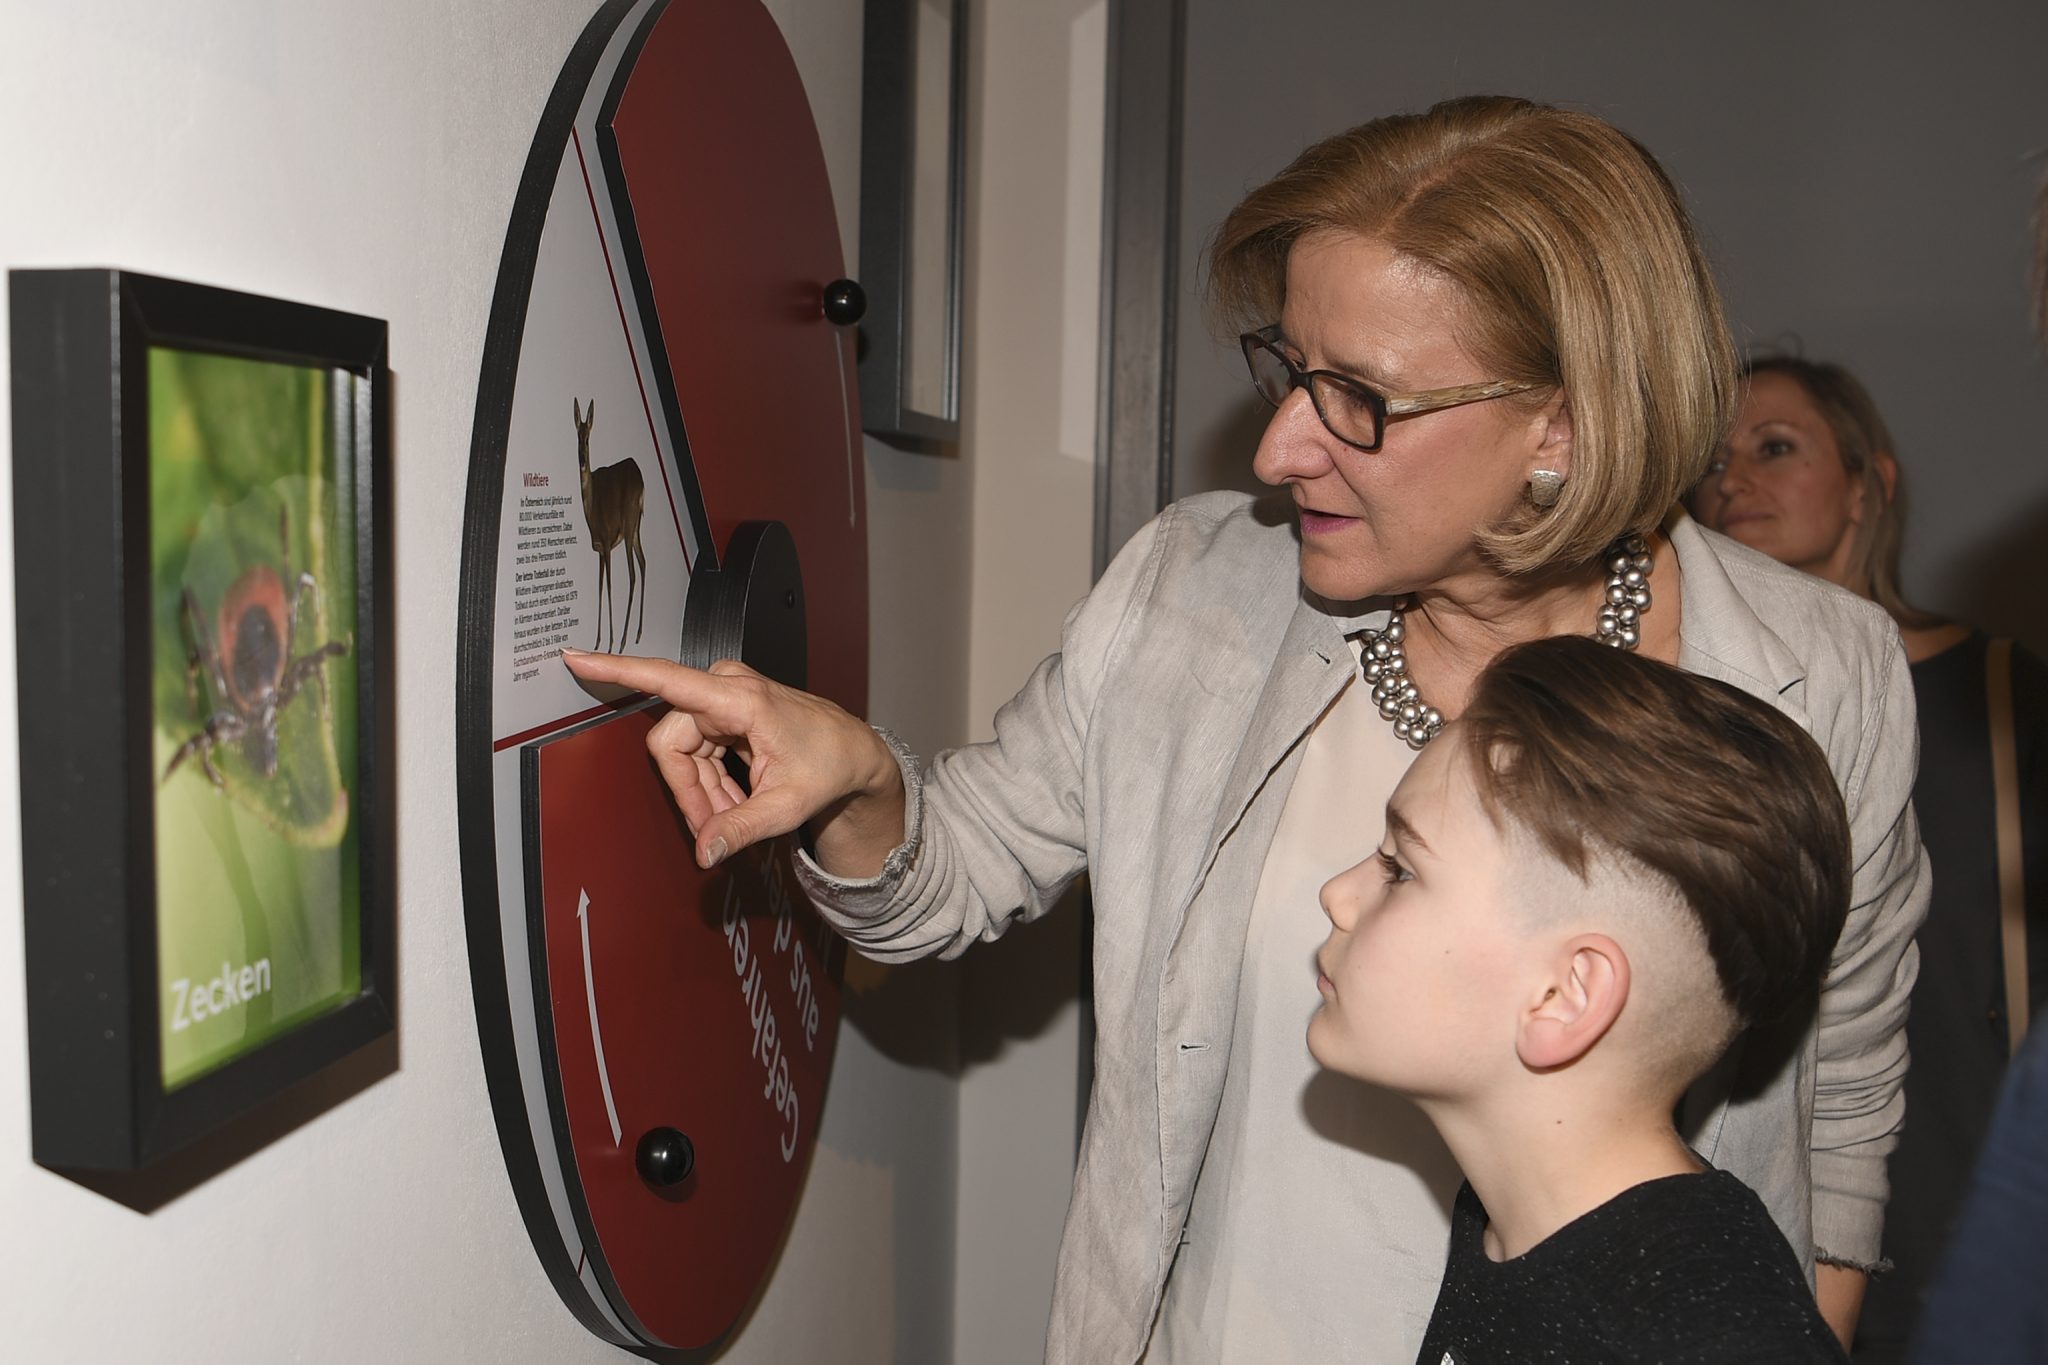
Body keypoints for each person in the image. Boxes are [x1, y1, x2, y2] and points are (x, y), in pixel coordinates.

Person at [564, 96, 1927, 1363]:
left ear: (1560, 427)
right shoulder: (1193, 591)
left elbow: (1843, 1098)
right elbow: (951, 871)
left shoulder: (1824, 672)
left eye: (1361, 401)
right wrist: (859, 785)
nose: (1279, 449)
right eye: (1288, 364)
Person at [1309, 635, 1852, 1363]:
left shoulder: (1711, 1335)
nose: (1338, 894)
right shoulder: (1513, 1220)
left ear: (1564, 995)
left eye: (1400, 869)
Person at [1689, 357, 2048, 1360]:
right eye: (1714, 463)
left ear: (1867, 485)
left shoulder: (2004, 695)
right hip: (1748, 1170)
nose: (1732, 482)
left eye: (1774, 449)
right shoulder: (1687, 711)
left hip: (1958, 1163)